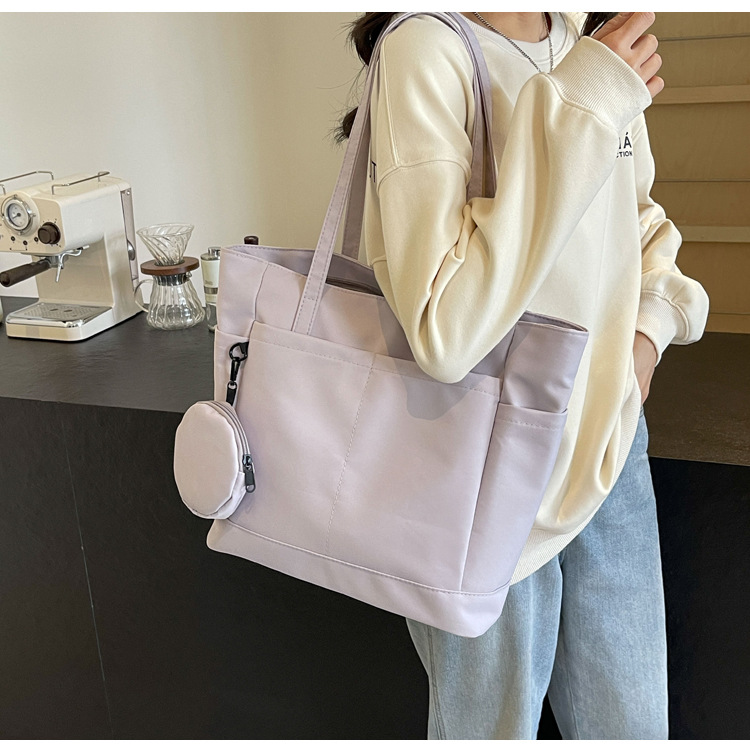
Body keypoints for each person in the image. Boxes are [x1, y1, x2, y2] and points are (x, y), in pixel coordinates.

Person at [335, 11, 710, 740]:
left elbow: (639, 224)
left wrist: (644, 340)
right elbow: (445, 331)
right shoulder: (425, 49)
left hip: (608, 450)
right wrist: (582, 102)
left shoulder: (582, 41)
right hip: (480, 475)